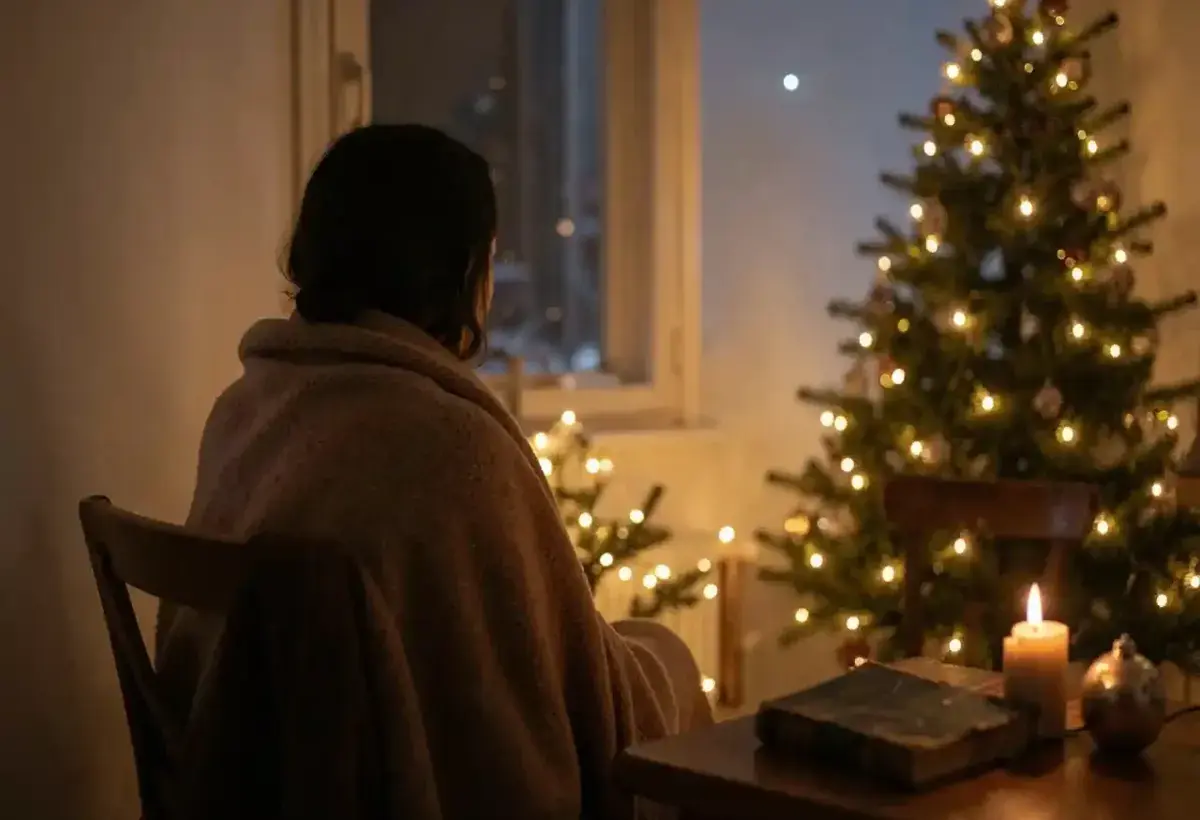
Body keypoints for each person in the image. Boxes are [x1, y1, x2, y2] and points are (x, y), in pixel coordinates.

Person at [156, 124, 710, 818]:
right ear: (462, 271)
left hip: (254, 781)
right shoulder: (451, 449)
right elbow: (516, 724)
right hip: (373, 786)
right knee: (670, 661)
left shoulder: (250, 405)